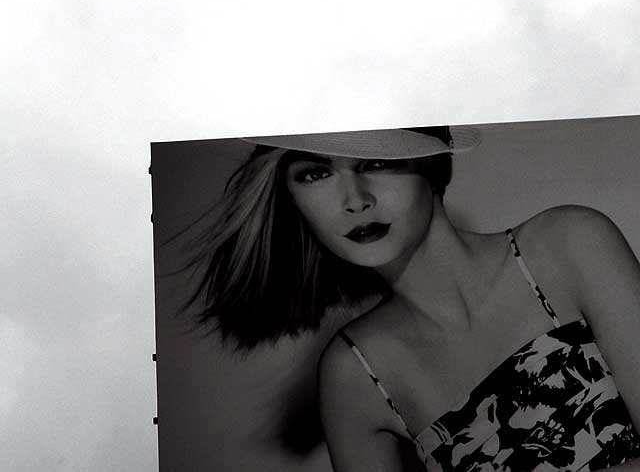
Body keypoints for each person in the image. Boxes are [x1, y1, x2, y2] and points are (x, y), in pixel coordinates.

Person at [182, 125, 640, 471]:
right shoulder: (355, 374)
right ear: (292, 199)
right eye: (316, 172)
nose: (355, 200)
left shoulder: (568, 245)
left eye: (376, 163)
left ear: (432, 164)